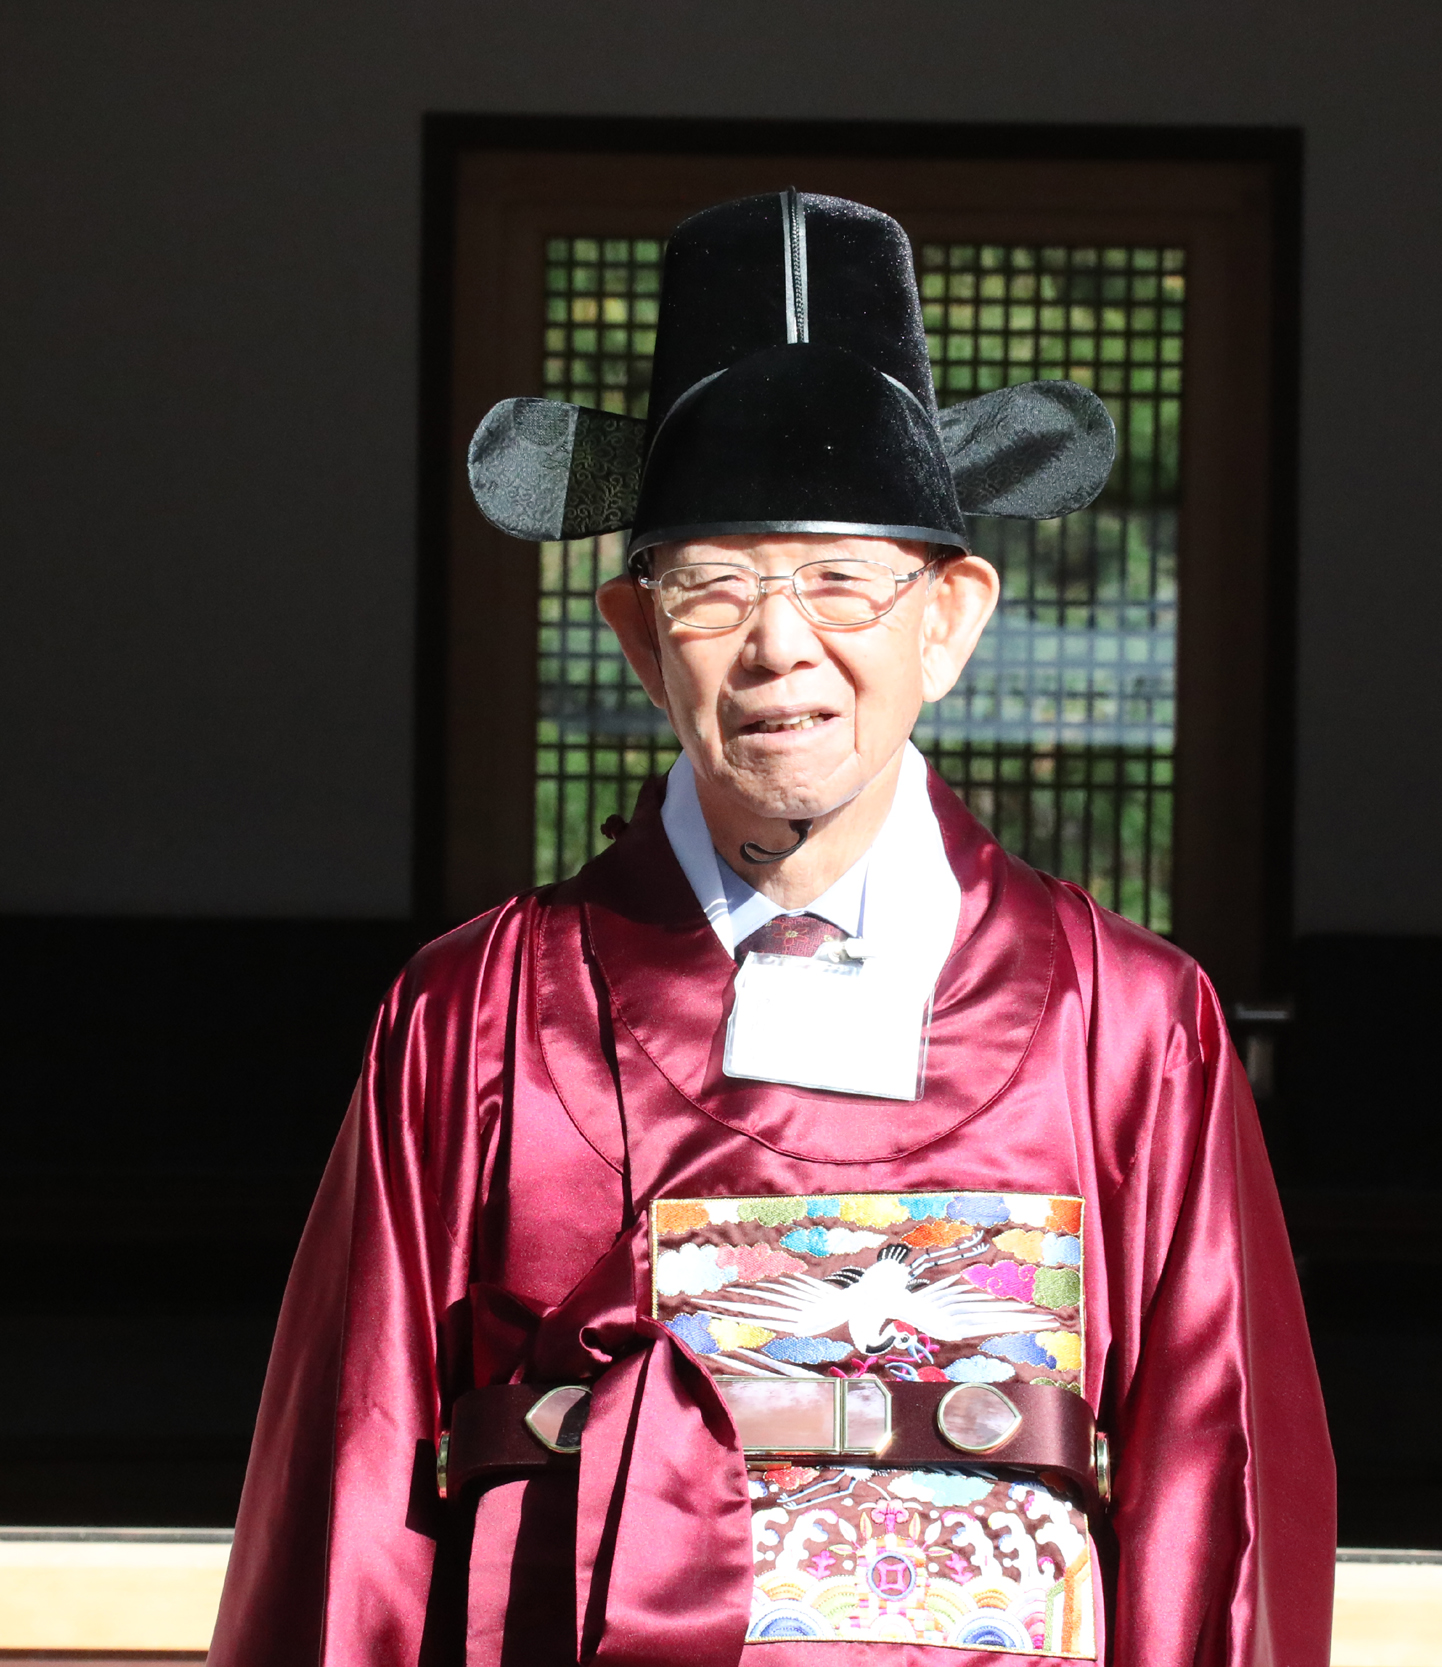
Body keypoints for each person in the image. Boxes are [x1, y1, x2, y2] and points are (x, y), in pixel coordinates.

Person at [210, 190, 1333, 1667]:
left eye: (842, 582)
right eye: (716, 588)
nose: (779, 645)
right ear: (636, 632)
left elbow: (1219, 1481)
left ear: (950, 618)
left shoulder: (1126, 1020)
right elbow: (348, 1474)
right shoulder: (476, 1009)